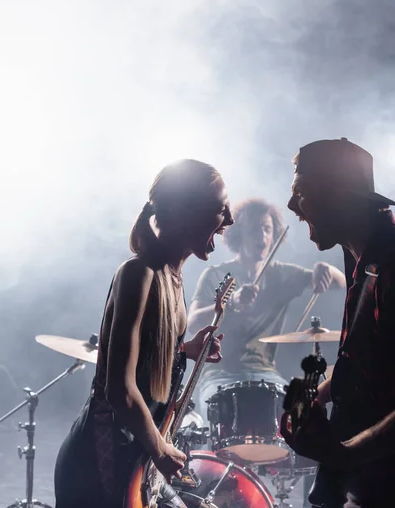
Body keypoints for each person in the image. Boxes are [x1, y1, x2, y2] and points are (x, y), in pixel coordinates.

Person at [54, 159, 233, 508]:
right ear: (188, 212)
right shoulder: (139, 274)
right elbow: (120, 389)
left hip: (138, 454)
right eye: (221, 209)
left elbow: (146, 361)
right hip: (102, 463)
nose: (230, 219)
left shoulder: (172, 277)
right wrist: (160, 449)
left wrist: (185, 351)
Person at [281, 137, 395, 507]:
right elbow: (368, 361)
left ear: (337, 196)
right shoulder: (358, 253)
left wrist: (344, 452)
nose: (291, 206)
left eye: (301, 192)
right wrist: (315, 395)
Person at [188, 198, 346, 420]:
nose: (261, 236)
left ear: (274, 236)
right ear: (238, 234)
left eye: (267, 229)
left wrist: (326, 269)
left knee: (298, 414)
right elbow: (193, 322)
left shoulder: (282, 274)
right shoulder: (215, 275)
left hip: (266, 375)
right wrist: (231, 303)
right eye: (254, 229)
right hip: (220, 376)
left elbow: (341, 282)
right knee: (223, 416)